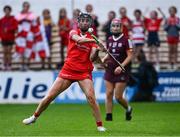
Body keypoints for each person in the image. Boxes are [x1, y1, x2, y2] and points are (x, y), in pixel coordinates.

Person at [22, 13, 106, 132]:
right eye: (82, 20)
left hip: (84, 72)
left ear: (90, 23)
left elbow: (92, 58)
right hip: (68, 69)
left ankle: (100, 125)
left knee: (91, 98)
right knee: (50, 97)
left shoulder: (93, 39)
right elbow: (79, 40)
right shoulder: (73, 32)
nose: (84, 23)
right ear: (78, 22)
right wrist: (96, 41)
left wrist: (98, 49)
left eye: (87, 21)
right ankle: (34, 117)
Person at [102, 18, 133, 121]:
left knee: (118, 97)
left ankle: (128, 108)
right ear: (111, 28)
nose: (115, 28)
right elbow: (109, 53)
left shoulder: (127, 40)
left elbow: (130, 56)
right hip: (110, 69)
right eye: (113, 26)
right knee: (109, 93)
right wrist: (103, 59)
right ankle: (109, 117)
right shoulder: (109, 39)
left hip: (122, 71)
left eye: (117, 26)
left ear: (121, 28)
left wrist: (121, 66)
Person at [0, 5, 17, 71]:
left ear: (10, 11)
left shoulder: (13, 19)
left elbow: (15, 27)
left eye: (8, 10)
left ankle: (9, 65)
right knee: (4, 52)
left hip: (10, 38)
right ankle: (4, 65)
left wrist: (8, 29)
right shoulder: (2, 20)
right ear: (4, 11)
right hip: (4, 38)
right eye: (5, 10)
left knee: (9, 52)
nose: (7, 12)